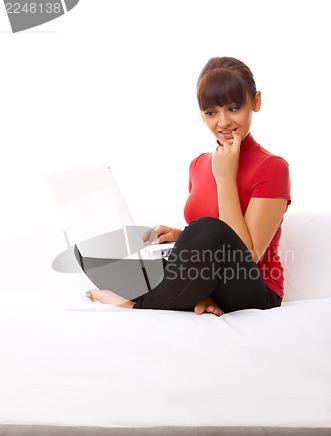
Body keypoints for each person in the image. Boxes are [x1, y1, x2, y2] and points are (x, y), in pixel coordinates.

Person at [85, 56, 291, 317]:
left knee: (207, 228)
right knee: (101, 253)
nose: (224, 122)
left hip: (255, 287)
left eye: (234, 107)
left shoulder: (272, 167)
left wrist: (225, 179)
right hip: (211, 274)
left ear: (256, 102)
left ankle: (134, 305)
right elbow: (210, 247)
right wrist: (182, 237)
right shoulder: (198, 165)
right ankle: (197, 296)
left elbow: (246, 257)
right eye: (211, 112)